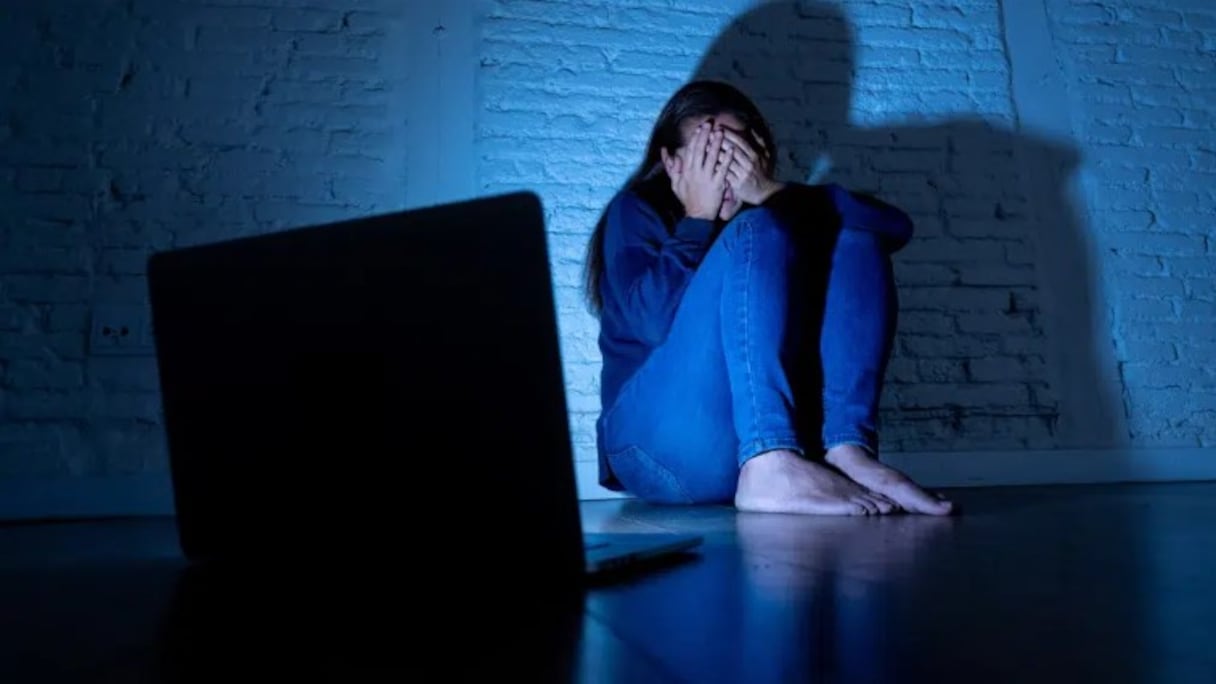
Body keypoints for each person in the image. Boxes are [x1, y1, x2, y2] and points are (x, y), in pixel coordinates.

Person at [583, 80, 953, 516]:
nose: (724, 172)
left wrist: (768, 193)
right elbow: (649, 324)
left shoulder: (770, 213)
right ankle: (769, 460)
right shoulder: (636, 211)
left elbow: (895, 228)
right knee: (756, 228)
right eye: (709, 156)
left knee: (856, 237)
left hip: (739, 451)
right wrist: (697, 218)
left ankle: (848, 450)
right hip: (653, 448)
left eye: (735, 154)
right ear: (671, 163)